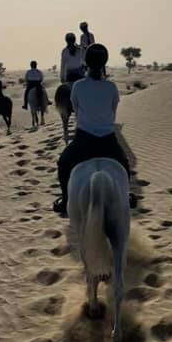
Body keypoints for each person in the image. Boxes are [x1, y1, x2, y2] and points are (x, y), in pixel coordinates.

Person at [53, 43, 134, 214]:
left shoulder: (78, 86)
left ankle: (66, 201)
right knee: (124, 163)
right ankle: (126, 196)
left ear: (86, 63)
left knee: (63, 163)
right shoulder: (111, 87)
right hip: (108, 141)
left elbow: (75, 108)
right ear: (104, 63)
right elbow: (113, 110)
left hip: (84, 140)